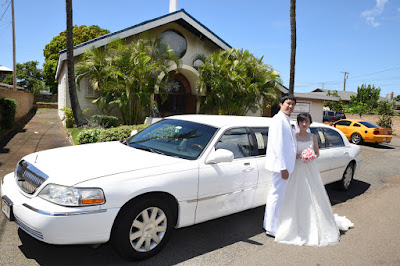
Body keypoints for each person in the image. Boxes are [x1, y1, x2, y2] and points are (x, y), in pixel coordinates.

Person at [275, 113, 353, 246]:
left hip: (310, 169)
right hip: (297, 169)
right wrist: (301, 155)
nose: (304, 124)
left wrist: (311, 156)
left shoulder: (313, 137)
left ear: (310, 123)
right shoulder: (293, 137)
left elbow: (317, 153)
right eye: (301, 121)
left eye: (306, 121)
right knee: (295, 195)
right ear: (298, 123)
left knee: (313, 195)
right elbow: (289, 154)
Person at [264, 94, 297, 237]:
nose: (290, 106)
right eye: (288, 103)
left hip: (285, 165)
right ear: (281, 104)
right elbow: (277, 145)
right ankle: (271, 228)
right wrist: (283, 167)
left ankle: (271, 224)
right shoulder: (278, 120)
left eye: (292, 104)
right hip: (280, 166)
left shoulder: (285, 119)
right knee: (276, 195)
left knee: (278, 195)